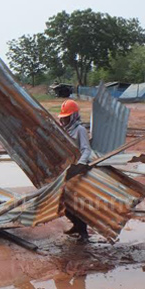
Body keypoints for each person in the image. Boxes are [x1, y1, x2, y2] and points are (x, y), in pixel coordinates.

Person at [58, 99, 92, 241]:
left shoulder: (80, 130)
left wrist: (79, 165)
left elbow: (86, 150)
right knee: (63, 203)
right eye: (63, 118)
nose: (64, 121)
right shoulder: (65, 130)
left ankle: (83, 233)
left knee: (76, 204)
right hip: (67, 171)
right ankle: (76, 225)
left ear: (73, 116)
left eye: (67, 118)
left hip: (77, 172)